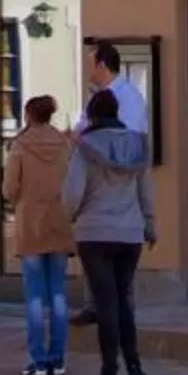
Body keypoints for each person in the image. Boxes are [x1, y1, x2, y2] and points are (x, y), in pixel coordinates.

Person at [62, 87, 155, 375]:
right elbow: (145, 190)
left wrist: (72, 214)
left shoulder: (85, 147)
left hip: (94, 232)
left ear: (92, 114)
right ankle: (135, 367)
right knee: (124, 299)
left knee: (105, 303)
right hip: (129, 232)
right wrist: (149, 223)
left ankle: (109, 372)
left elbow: (73, 192)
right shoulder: (137, 145)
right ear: (116, 112)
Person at [70, 41, 148, 326]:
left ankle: (121, 324)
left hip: (117, 183)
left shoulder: (128, 97)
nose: (89, 71)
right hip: (97, 185)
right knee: (98, 260)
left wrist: (87, 141)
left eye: (91, 64)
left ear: (102, 65)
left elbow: (126, 139)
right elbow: (84, 127)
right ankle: (95, 307)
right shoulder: (97, 96)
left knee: (119, 274)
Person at [1, 93, 75, 375]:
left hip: (30, 222)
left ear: (28, 115)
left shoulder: (20, 145)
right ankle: (58, 358)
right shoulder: (64, 144)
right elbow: (73, 181)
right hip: (58, 220)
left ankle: (37, 358)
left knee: (34, 294)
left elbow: (9, 188)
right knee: (57, 291)